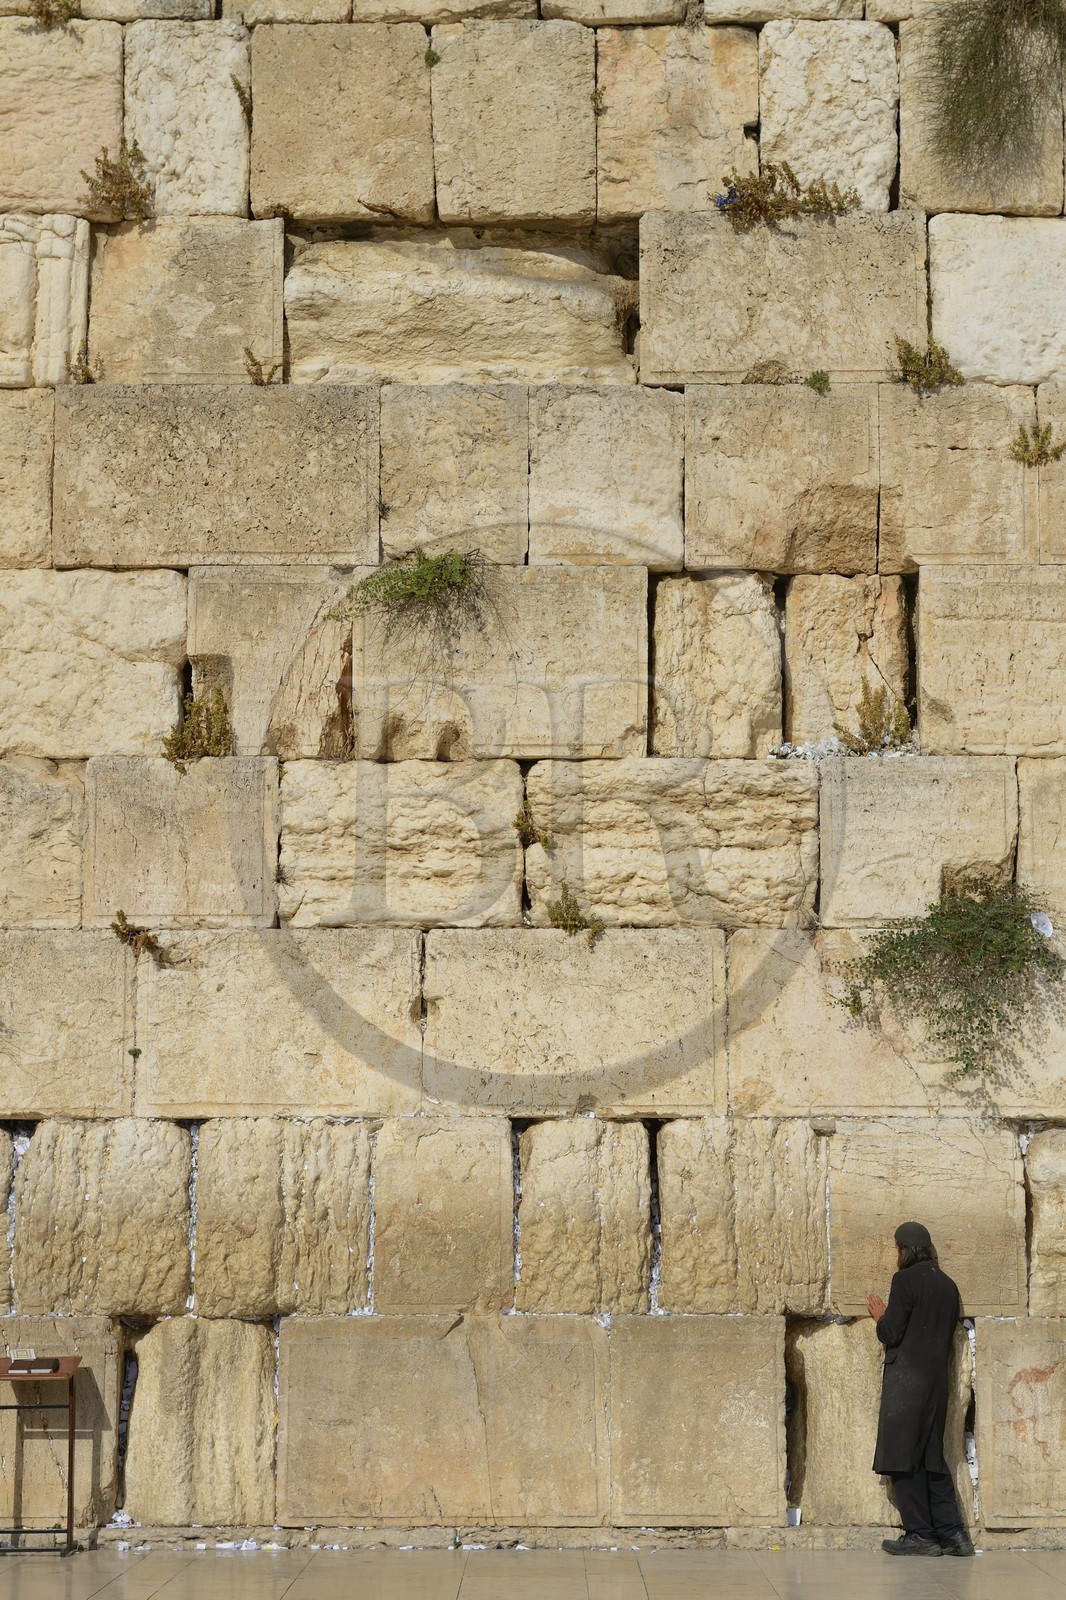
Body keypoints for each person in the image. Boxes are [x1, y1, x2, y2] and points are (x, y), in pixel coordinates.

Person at [865, 1221, 975, 1559]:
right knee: (931, 1458)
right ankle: (954, 1534)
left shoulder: (904, 1280)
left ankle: (920, 1535)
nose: (896, 1255)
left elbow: (892, 1332)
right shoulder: (948, 1285)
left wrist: (881, 1318)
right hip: (936, 1384)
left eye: (897, 1249)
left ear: (906, 1250)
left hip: (907, 1383)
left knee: (901, 1457)